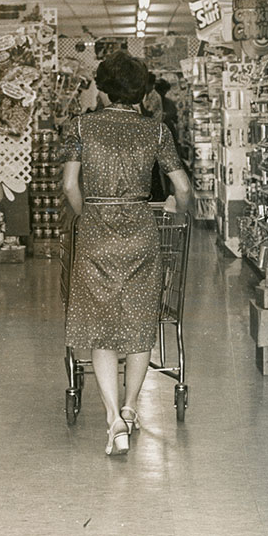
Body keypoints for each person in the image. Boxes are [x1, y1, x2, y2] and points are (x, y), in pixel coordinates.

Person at [60, 52, 193, 456]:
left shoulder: (80, 125)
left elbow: (69, 186)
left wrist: (89, 218)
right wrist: (175, 209)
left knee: (100, 327)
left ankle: (112, 417)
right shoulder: (156, 131)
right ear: (143, 89)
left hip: (96, 233)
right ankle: (133, 408)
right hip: (140, 232)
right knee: (138, 324)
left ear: (102, 86)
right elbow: (183, 190)